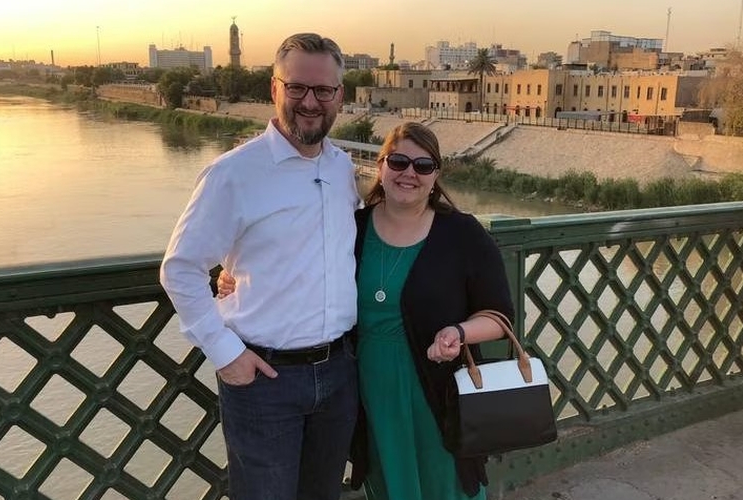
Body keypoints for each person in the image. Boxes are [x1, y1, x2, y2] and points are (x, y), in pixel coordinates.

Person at [219, 122, 516, 499]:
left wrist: (459, 333)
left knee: (446, 484)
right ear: (380, 166)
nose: (409, 173)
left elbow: (498, 317)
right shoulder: (352, 227)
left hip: (435, 388)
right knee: (388, 483)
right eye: (399, 161)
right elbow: (297, 265)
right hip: (364, 388)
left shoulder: (462, 233)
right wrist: (234, 276)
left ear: (436, 175)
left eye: (423, 166)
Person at [159, 33, 360, 500]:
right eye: (297, 88)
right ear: (274, 89)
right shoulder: (234, 173)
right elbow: (181, 269)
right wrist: (225, 354)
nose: (310, 101)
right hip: (265, 380)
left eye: (323, 91)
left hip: (339, 373)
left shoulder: (342, 169)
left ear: (339, 97)